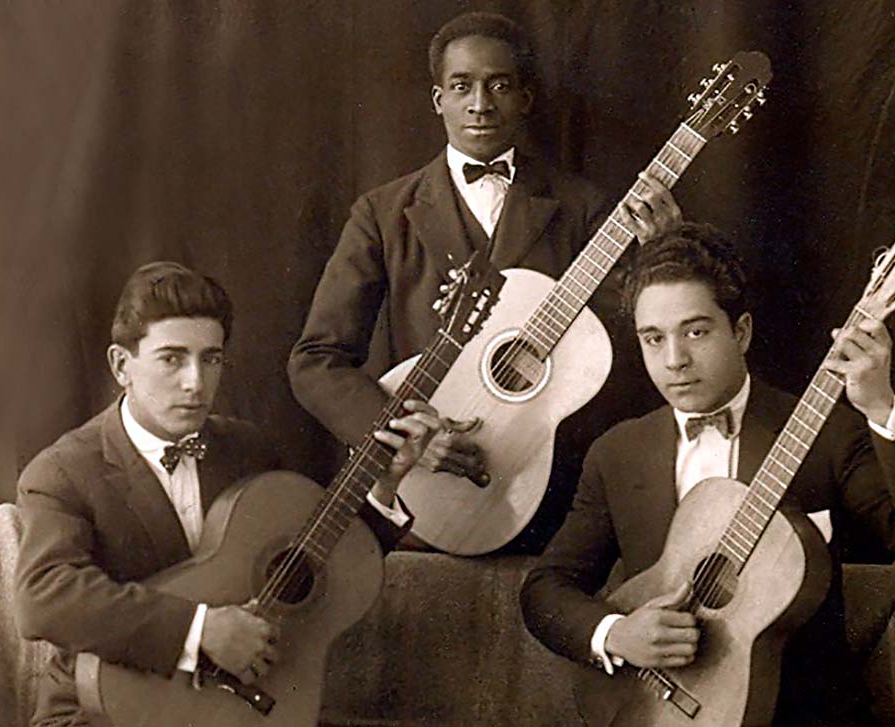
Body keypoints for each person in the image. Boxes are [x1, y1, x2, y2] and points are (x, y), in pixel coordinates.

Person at [287, 11, 682, 551]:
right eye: (461, 86)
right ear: (438, 101)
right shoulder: (381, 214)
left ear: (526, 98)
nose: (480, 103)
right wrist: (405, 438)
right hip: (426, 504)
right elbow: (317, 360)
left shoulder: (584, 207)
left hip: (553, 498)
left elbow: (631, 336)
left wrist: (661, 251)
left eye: (499, 85)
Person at [520, 223, 895, 727]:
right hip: (648, 710)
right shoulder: (618, 453)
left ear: (740, 332)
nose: (674, 361)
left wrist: (879, 406)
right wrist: (613, 633)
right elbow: (545, 587)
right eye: (654, 339)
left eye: (696, 332)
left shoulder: (825, 434)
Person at [15, 262, 440, 727]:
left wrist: (385, 482)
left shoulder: (248, 451)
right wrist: (200, 630)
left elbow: (324, 566)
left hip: (234, 709)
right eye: (172, 358)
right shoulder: (63, 471)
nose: (196, 383)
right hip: (100, 713)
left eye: (211, 358)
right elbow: (44, 599)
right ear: (122, 365)